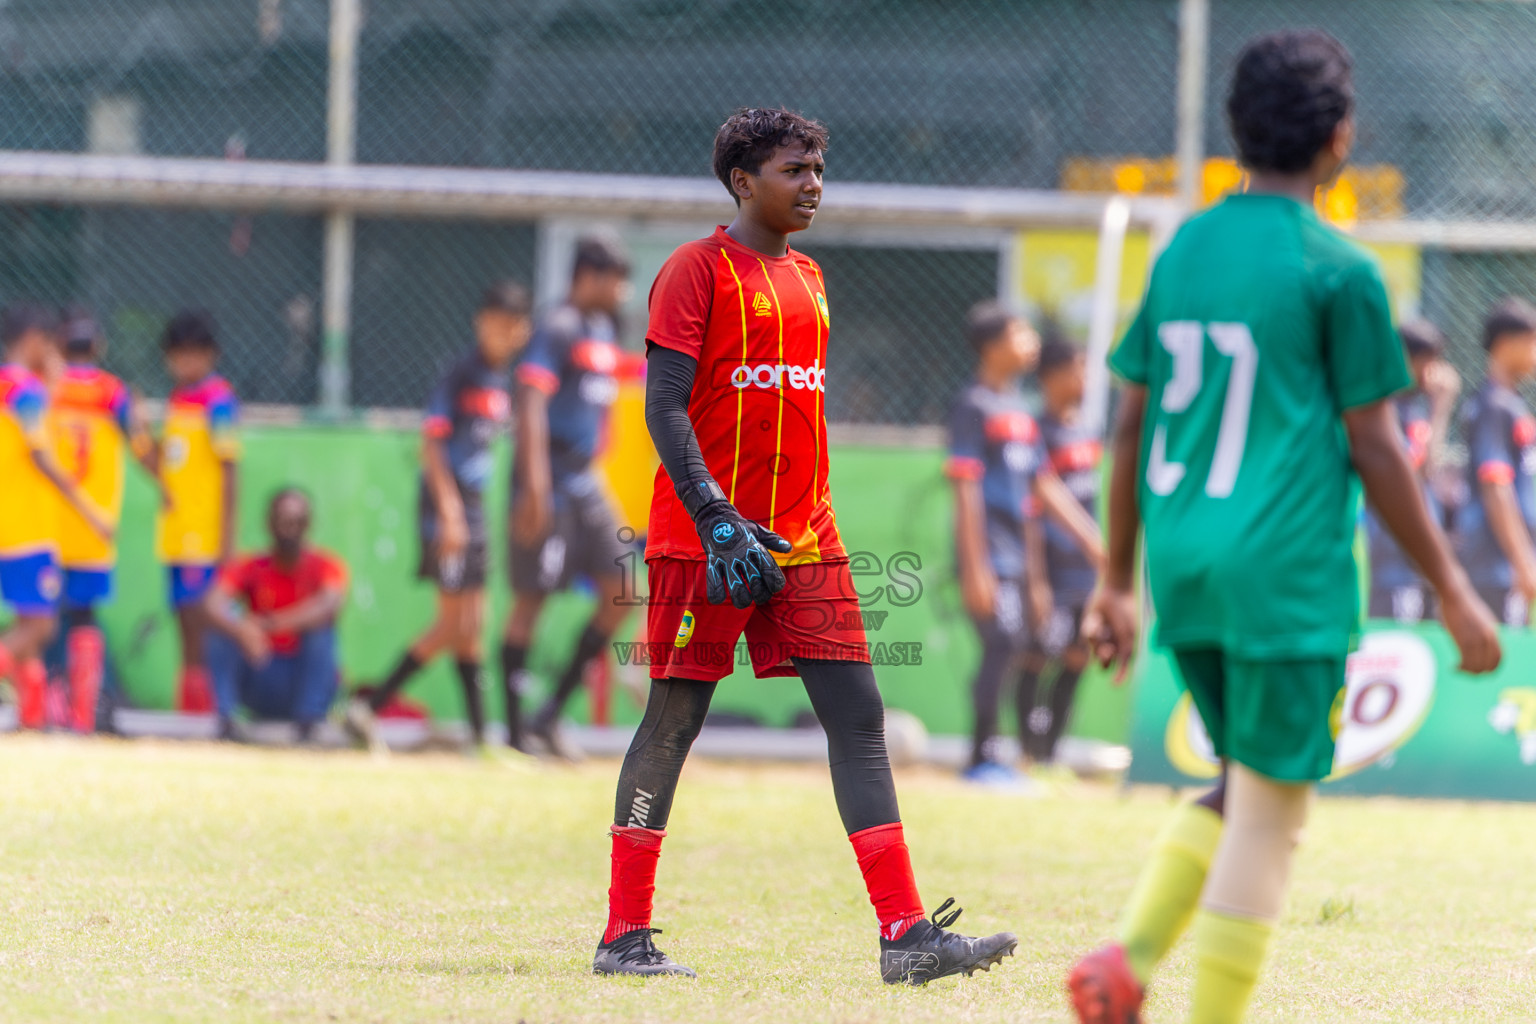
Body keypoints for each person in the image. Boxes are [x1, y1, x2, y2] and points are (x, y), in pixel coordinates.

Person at [1067, 31, 1501, 1024]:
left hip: (1185, 569)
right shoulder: (1340, 269)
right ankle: (1146, 972)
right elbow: (1378, 446)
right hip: (1284, 576)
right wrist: (1452, 588)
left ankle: (1126, 964)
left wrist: (1115, 579)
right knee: (1272, 815)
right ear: (1340, 136)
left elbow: (1129, 422)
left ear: (1235, 128)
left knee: (1243, 780)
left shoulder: (1184, 250)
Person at [595, 107, 1017, 984]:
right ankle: (623, 936)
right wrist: (714, 515)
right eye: (795, 170)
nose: (814, 184)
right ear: (742, 181)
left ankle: (905, 934)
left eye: (819, 168)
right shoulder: (694, 270)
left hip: (803, 539)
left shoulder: (813, 277)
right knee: (673, 719)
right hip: (707, 540)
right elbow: (663, 406)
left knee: (859, 715)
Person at [348, 281, 532, 750]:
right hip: (446, 506)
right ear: (479, 324)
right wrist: (450, 514)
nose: (501, 333)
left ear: (522, 331)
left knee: (473, 628)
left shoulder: (502, 380)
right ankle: (367, 708)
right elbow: (431, 443)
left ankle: (481, 740)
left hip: (476, 506)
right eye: (494, 323)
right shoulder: (460, 373)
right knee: (451, 625)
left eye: (510, 326)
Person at [947, 308, 1102, 785]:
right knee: (1003, 643)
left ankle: (1003, 758)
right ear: (993, 346)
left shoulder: (1018, 412)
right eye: (1020, 333)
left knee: (1012, 645)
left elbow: (1043, 486)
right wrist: (975, 566)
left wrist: (1094, 544)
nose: (1031, 341)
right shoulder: (972, 406)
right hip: (988, 556)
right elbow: (965, 488)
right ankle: (982, 758)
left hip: (1017, 555)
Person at [503, 235, 635, 758]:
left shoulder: (604, 329)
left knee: (622, 591)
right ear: (588, 277)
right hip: (549, 479)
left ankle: (549, 714)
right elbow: (531, 402)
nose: (622, 291)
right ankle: (515, 734)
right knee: (531, 599)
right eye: (616, 280)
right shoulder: (556, 326)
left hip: (587, 480)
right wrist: (534, 486)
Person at [0, 304, 112, 729]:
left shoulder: (12, 386)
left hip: (10, 522)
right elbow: (42, 457)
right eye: (49, 345)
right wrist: (90, 511)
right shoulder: (26, 391)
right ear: (33, 340)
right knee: (41, 626)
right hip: (27, 527)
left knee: (26, 619)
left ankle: (31, 717)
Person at [45, 308, 157, 732]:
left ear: (58, 345)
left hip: (50, 525)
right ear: (98, 346)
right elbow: (141, 445)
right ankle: (86, 708)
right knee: (84, 616)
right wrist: (165, 483)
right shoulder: (114, 393)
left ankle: (49, 702)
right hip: (95, 527)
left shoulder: (46, 388)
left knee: (43, 616)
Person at [204, 489, 347, 742]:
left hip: (303, 677)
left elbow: (329, 605)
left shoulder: (326, 566)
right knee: (220, 633)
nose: (290, 529)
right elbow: (215, 602)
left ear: (308, 524)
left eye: (297, 521)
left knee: (322, 633)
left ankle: (309, 724)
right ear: (270, 524)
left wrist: (271, 624)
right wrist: (242, 625)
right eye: (283, 521)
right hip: (261, 672)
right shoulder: (252, 565)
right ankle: (227, 722)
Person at [1019, 337, 1101, 764]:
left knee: (1077, 657)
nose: (1084, 379)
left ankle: (1050, 755)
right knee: (1036, 657)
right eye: (1076, 370)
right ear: (1050, 377)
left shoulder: (1087, 430)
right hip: (1051, 569)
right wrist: (1035, 579)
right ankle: (1026, 753)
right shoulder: (1036, 433)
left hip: (1085, 573)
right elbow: (1031, 513)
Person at [155, 309, 240, 714]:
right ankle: (190, 697)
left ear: (211, 355)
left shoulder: (218, 401)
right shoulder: (177, 400)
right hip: (176, 530)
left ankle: (208, 702)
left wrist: (226, 539)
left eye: (195, 354)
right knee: (182, 615)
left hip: (203, 533)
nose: (186, 363)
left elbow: (229, 470)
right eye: (178, 355)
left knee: (201, 617)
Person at [1363, 319, 1459, 624]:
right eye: (1426, 361)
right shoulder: (1381, 411)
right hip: (1388, 559)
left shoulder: (1414, 409)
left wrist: (1441, 407)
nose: (1431, 371)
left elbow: (1427, 468)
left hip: (1411, 563)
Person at [1455, 298, 1536, 628]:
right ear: (1505, 344)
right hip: (1495, 566)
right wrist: (1522, 561)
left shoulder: (1511, 403)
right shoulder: (1493, 405)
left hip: (1505, 564)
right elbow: (1496, 486)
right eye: (1530, 341)